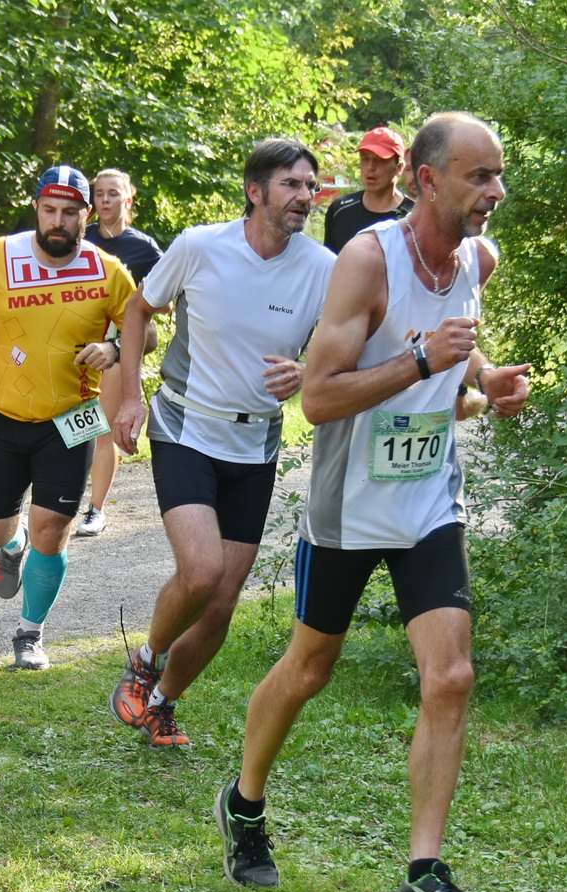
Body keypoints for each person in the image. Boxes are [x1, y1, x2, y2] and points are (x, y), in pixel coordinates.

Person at [225, 112, 531, 892]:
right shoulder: (368, 260)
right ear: (428, 180)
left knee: (452, 674)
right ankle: (244, 800)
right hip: (350, 503)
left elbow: (459, 345)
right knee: (310, 666)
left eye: (498, 175)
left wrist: (489, 377)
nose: (495, 192)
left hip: (429, 497)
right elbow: (319, 398)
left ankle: (423, 874)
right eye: (479, 177)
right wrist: (419, 363)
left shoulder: (477, 258)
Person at [109, 138, 336, 746]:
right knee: (203, 570)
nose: (305, 198)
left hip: (256, 443)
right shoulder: (200, 246)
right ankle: (146, 660)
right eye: (292, 185)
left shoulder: (323, 267)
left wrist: (309, 372)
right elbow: (138, 311)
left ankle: (162, 704)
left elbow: (351, 343)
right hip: (185, 427)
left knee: (219, 606)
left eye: (310, 187)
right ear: (254, 190)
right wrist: (130, 396)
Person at [0, 165, 139, 670]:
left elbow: (143, 330)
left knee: (55, 528)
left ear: (86, 215)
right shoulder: (0, 255)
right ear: (36, 208)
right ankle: (13, 544)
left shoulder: (107, 269)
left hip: (71, 419)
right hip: (3, 415)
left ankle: (29, 634)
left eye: (70, 212)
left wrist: (113, 347)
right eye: (50, 210)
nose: (58, 220)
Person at [77, 168, 164, 538]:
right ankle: (60, 501)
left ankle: (95, 510)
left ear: (128, 200)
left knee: (100, 426)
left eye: (114, 193)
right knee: (66, 426)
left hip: (117, 342)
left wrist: (137, 305)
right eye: (99, 194)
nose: (106, 200)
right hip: (73, 339)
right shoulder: (80, 240)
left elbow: (165, 303)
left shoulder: (142, 248)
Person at [322, 126, 413, 256]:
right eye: (365, 159)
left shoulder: (413, 216)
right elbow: (329, 268)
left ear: (399, 167)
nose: (371, 167)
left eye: (380, 160)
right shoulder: (340, 211)